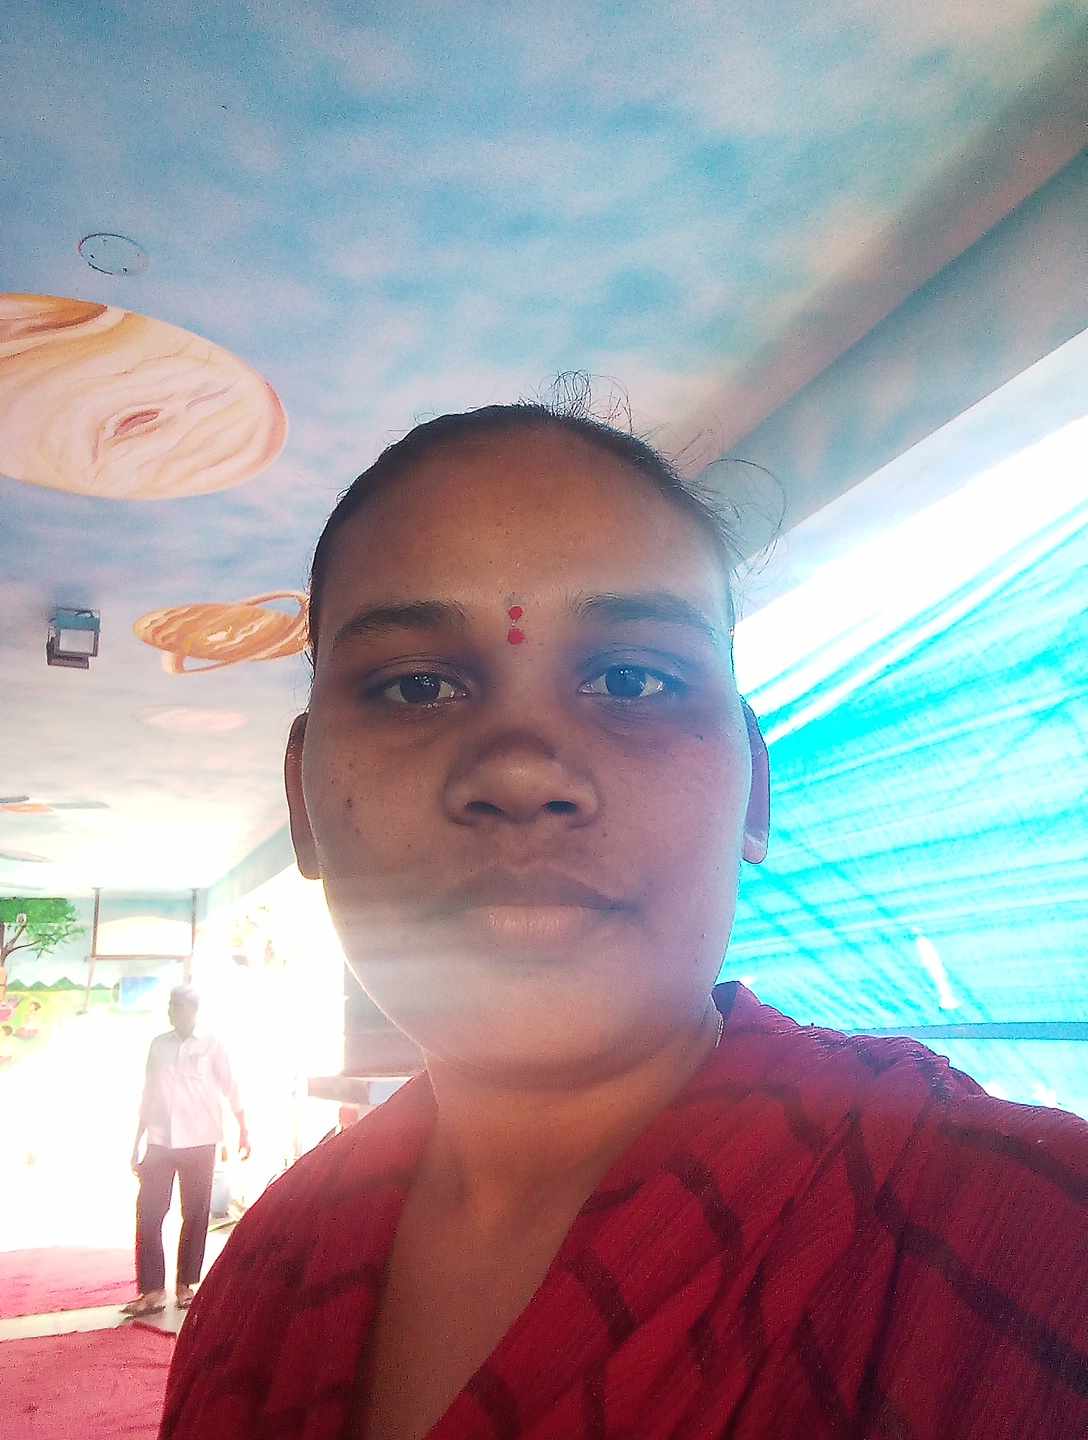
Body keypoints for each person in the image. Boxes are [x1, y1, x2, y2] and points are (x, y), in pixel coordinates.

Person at [161, 394, 1087, 1438]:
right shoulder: (265, 1269)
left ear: (755, 790)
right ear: (302, 804)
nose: (520, 771)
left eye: (632, 679)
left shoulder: (1029, 1237)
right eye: (417, 688)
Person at [124, 984, 249, 1317]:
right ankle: (152, 1291)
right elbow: (149, 1093)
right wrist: (136, 1141)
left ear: (193, 1011)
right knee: (149, 1212)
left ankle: (185, 1285)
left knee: (195, 1213)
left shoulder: (212, 1045)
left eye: (178, 1006)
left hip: (200, 1140)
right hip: (160, 1141)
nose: (172, 1012)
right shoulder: (158, 1046)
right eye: (170, 1006)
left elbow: (231, 1087)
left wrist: (244, 1129)